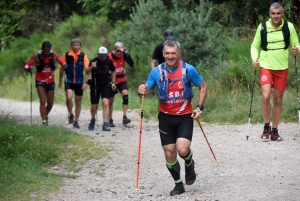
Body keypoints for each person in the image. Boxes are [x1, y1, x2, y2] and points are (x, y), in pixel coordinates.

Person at [138, 39, 207, 196]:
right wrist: (142, 90)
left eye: (173, 53)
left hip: (184, 116)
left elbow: (203, 86)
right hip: (166, 118)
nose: (170, 56)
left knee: (183, 149)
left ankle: (189, 163)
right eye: (167, 53)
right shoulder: (156, 71)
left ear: (179, 54)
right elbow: (147, 92)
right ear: (163, 54)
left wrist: (199, 108)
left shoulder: (188, 70)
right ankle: (178, 185)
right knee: (169, 152)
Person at [251, 2, 299, 142]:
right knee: (266, 96)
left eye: (278, 13)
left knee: (278, 99)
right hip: (266, 65)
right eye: (273, 13)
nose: (276, 16)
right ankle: (267, 127)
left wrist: (297, 50)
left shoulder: (289, 27)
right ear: (269, 14)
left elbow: (296, 44)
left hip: (282, 67)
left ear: (283, 13)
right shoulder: (263, 27)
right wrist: (255, 59)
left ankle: (275, 130)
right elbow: (254, 46)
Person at [24, 41, 65, 125]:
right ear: (42, 49)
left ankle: (45, 115)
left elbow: (62, 62)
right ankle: (44, 121)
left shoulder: (53, 54)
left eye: (48, 51)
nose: (46, 53)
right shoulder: (37, 55)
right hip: (40, 80)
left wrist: (65, 65)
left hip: (50, 81)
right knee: (43, 100)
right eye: (45, 51)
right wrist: (29, 69)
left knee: (50, 103)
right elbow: (26, 66)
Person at [58, 38, 89, 129]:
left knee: (78, 101)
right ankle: (71, 113)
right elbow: (61, 69)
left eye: (77, 45)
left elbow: (87, 71)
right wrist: (60, 81)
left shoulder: (83, 56)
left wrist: (85, 83)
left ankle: (76, 121)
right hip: (69, 80)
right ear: (71, 46)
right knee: (69, 97)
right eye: (74, 45)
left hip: (79, 81)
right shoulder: (66, 55)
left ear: (80, 46)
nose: (76, 47)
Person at [85, 46, 116, 131]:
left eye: (104, 55)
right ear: (98, 55)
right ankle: (92, 120)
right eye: (101, 55)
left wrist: (113, 82)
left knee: (106, 103)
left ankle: (105, 123)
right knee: (94, 106)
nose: (102, 57)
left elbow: (113, 71)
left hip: (105, 85)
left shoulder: (109, 61)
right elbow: (87, 72)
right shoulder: (93, 61)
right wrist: (92, 67)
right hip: (95, 85)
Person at [108, 42, 134, 127]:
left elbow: (132, 64)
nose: (120, 53)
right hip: (113, 80)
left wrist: (128, 55)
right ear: (114, 50)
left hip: (122, 78)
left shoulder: (123, 55)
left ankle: (125, 117)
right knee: (111, 100)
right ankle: (110, 118)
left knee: (125, 96)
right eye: (118, 51)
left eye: (122, 51)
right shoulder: (109, 57)